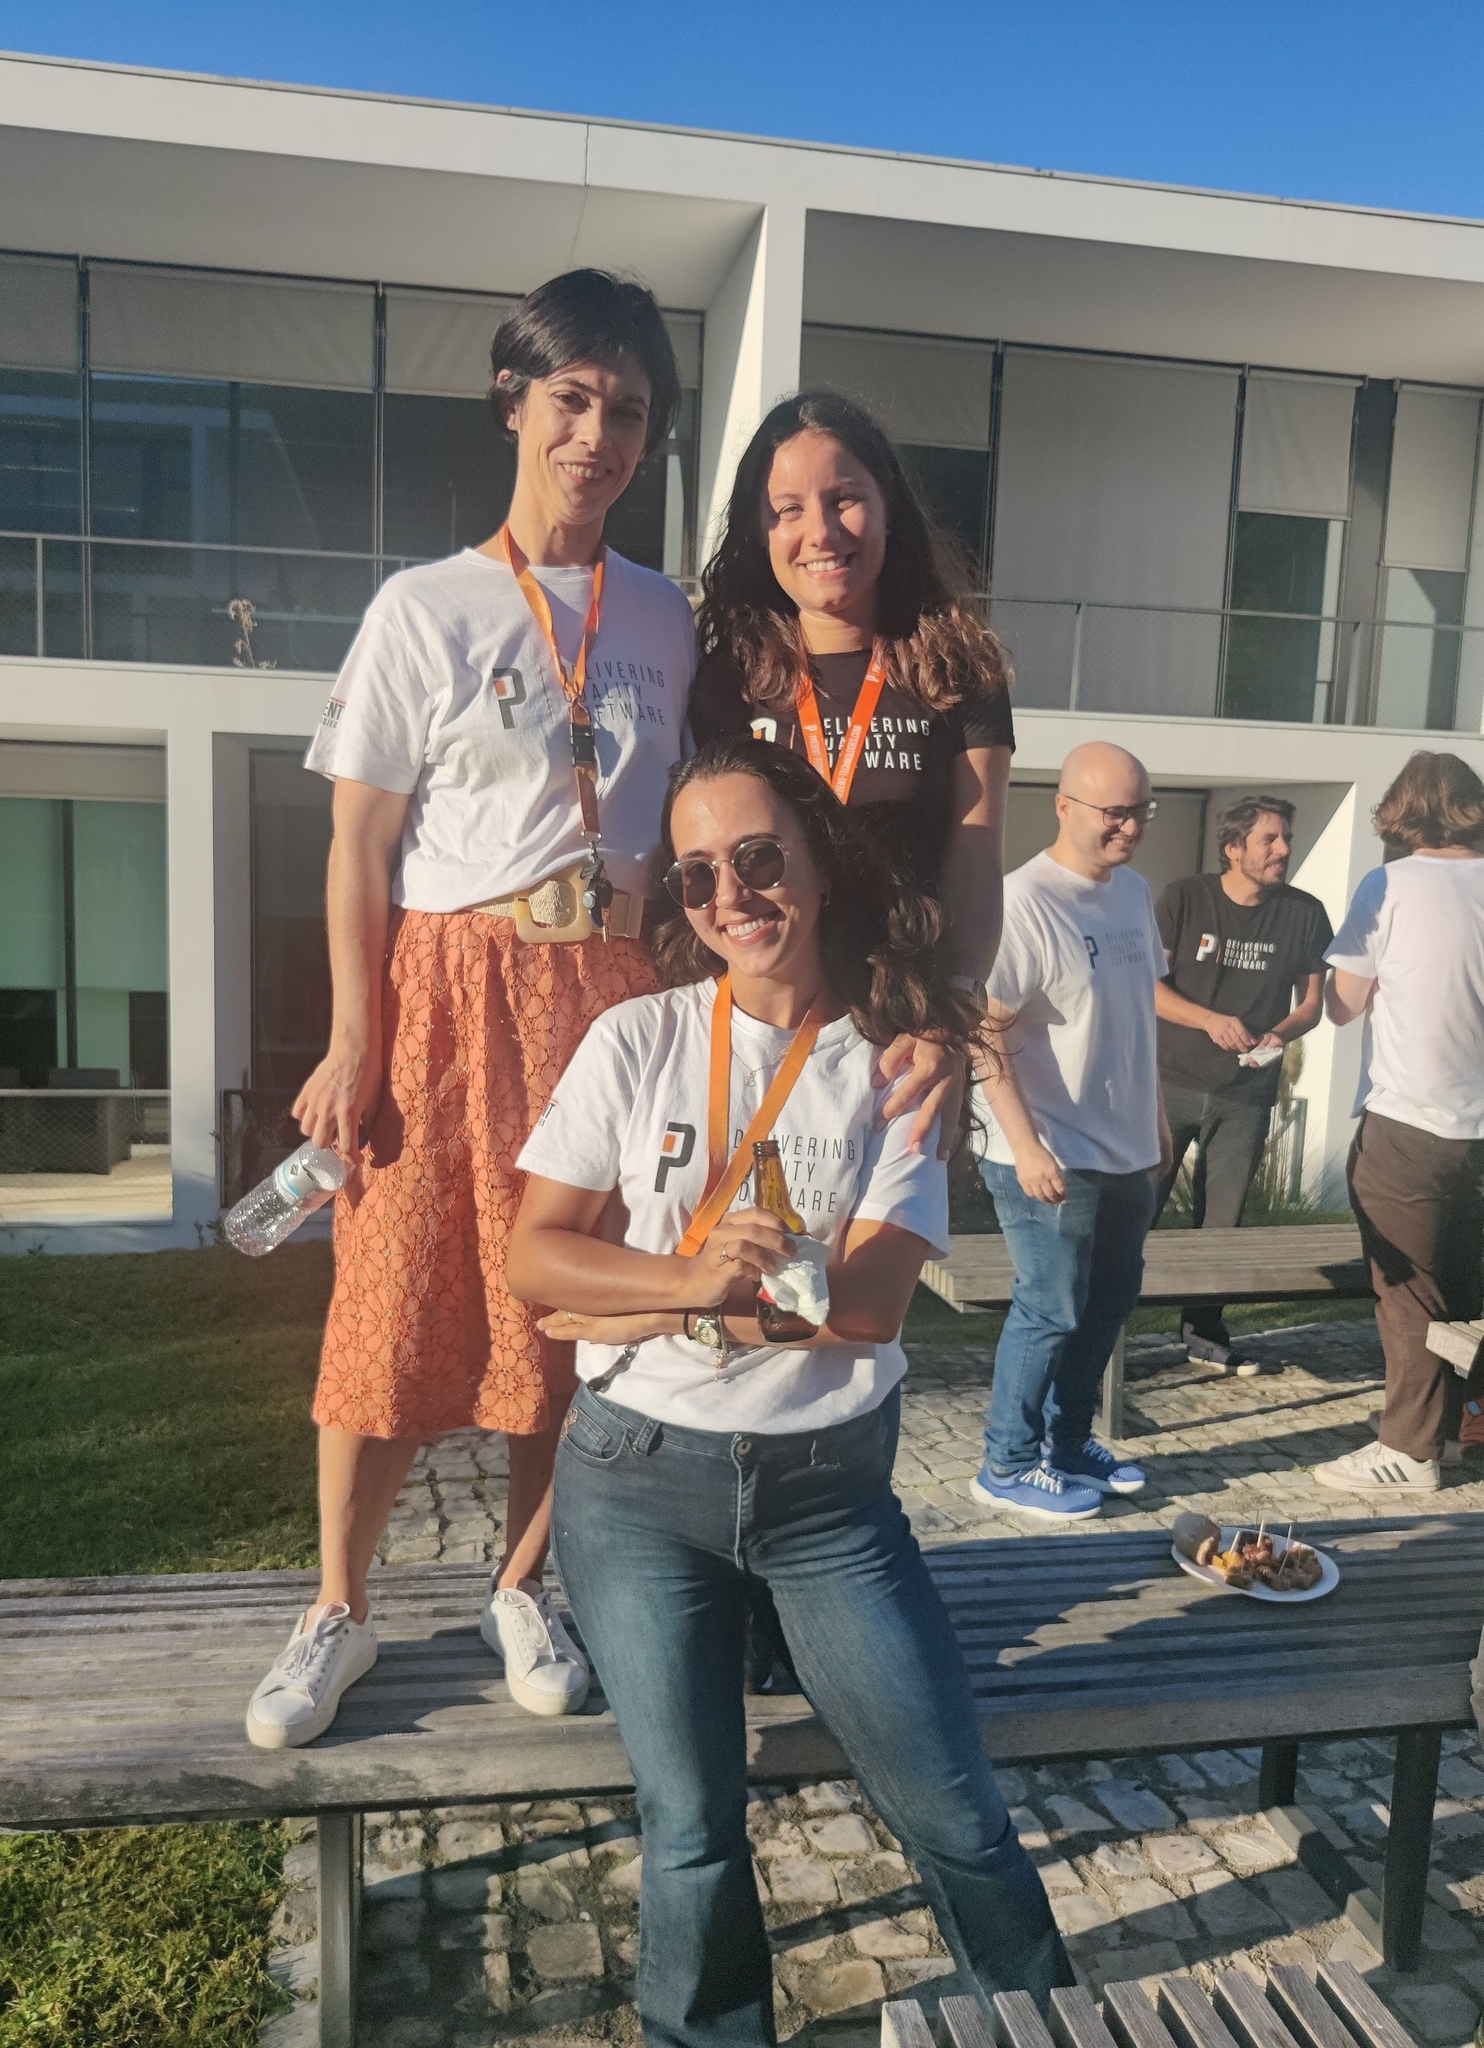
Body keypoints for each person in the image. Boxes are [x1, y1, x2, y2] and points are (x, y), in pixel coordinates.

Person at [507, 736, 1072, 2041]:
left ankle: (1043, 2023)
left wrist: (641, 1302)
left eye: (760, 856)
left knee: (951, 1803)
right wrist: (693, 1281)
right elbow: (532, 1253)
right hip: (634, 1486)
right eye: (699, 873)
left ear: (819, 863)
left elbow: (869, 1308)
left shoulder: (895, 1058)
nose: (732, 893)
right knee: (691, 1824)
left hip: (827, 1499)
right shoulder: (637, 1037)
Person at [243, 269, 698, 1748]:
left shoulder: (665, 617)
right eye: (573, 398)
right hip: (447, 990)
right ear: (515, 404)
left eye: (628, 409)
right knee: (387, 1299)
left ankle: (522, 1583)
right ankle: (337, 1607)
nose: (598, 435)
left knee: (570, 1306)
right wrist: (352, 1036)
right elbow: (358, 846)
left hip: (609, 995)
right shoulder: (423, 606)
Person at [690, 389, 1014, 1000]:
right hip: (763, 1012)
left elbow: (975, 860)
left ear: (888, 507)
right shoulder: (725, 679)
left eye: (844, 499)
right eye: (788, 509)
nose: (821, 532)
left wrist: (957, 1004)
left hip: (907, 1013)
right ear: (759, 531)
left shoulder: (960, 670)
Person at [970, 742, 1171, 1520]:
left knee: (1108, 1305)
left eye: (1141, 811)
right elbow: (981, 1029)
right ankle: (1006, 1463)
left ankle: (1069, 1444)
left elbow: (1136, 1013)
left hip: (1126, 1148)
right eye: (1115, 813)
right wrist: (1024, 1146)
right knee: (1050, 1309)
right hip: (1050, 1150)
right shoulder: (1024, 902)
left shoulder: (1133, 892)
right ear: (1064, 806)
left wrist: (1155, 1122)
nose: (1131, 828)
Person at [1314, 751, 1484, 1498]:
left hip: (1411, 1121)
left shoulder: (1390, 884)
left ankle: (1409, 1451)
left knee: (1411, 1293)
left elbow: (1343, 1005)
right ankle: (1465, 1425)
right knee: (1470, 1285)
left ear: (1404, 810)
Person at [1153, 796, 1332, 1372]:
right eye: (1269, 840)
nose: (1283, 849)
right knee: (1136, 1207)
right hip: (1167, 1082)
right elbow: (1147, 987)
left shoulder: (1305, 912)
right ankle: (1103, 1328)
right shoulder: (1185, 897)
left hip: (1246, 1094)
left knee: (1221, 1221)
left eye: (1286, 838)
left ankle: (1203, 1333)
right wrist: (1208, 1020)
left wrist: (1280, 1033)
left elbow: (1311, 1005)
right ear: (1233, 848)